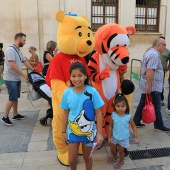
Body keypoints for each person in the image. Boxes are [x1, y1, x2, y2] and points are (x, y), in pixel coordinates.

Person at [60, 62, 104, 170]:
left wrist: (99, 134)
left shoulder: (92, 92)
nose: (77, 79)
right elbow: (65, 113)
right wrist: (63, 132)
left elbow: (98, 113)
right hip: (72, 133)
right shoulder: (67, 93)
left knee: (87, 158)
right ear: (70, 77)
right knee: (71, 160)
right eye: (73, 76)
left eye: (80, 75)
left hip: (89, 133)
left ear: (85, 76)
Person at [133, 37, 170, 131]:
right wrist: (149, 86)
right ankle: (159, 125)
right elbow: (150, 70)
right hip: (153, 86)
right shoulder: (154, 55)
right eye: (164, 45)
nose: (165, 47)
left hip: (150, 84)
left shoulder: (150, 52)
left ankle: (136, 121)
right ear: (158, 45)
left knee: (143, 103)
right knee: (157, 105)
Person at [1, 32, 34, 126]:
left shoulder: (18, 50)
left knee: (15, 97)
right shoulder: (10, 50)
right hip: (10, 78)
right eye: (24, 40)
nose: (25, 42)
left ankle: (15, 114)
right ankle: (5, 116)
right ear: (19, 39)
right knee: (12, 98)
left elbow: (25, 62)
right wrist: (23, 75)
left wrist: (34, 69)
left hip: (16, 78)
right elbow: (12, 65)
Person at [108, 94, 139, 169]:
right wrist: (109, 137)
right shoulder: (113, 115)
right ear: (115, 106)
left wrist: (136, 137)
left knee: (121, 151)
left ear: (126, 106)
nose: (120, 108)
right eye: (118, 106)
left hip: (124, 138)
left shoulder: (128, 117)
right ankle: (115, 157)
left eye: (123, 106)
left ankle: (121, 161)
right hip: (114, 137)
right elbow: (110, 126)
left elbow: (134, 126)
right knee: (112, 149)